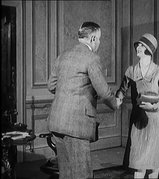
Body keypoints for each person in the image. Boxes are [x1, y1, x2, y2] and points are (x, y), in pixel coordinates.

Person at [47, 21, 121, 179]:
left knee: (66, 174)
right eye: (99, 39)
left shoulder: (63, 56)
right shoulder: (91, 58)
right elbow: (103, 90)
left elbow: (51, 85)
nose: (99, 42)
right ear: (93, 38)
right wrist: (115, 103)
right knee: (82, 174)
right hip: (77, 126)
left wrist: (68, 93)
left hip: (56, 122)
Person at [116, 33, 159, 178]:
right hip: (138, 120)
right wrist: (117, 99)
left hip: (155, 122)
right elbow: (122, 90)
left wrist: (155, 106)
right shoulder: (131, 70)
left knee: (153, 165)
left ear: (149, 49)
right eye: (138, 45)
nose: (138, 47)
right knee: (138, 162)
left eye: (142, 45)